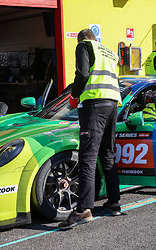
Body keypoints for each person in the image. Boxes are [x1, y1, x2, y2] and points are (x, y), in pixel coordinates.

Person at [58, 29, 123, 230]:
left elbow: (83, 73)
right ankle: (114, 204)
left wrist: (74, 95)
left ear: (81, 39)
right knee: (107, 154)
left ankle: (83, 210)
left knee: (87, 157)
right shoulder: (110, 52)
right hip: (113, 105)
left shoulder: (84, 46)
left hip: (94, 104)